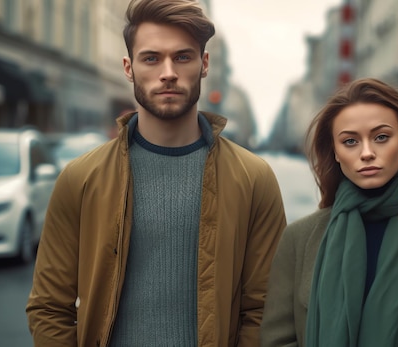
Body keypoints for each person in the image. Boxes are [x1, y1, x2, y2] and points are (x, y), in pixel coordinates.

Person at [26, 0, 287, 346]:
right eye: (151, 58)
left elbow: (266, 308)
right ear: (128, 67)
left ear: (204, 64)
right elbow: (49, 306)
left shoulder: (254, 178)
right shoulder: (80, 178)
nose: (168, 72)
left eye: (182, 57)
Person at [261, 78, 398, 347]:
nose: (367, 153)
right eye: (350, 141)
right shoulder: (299, 238)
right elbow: (276, 339)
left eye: (381, 137)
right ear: (335, 152)